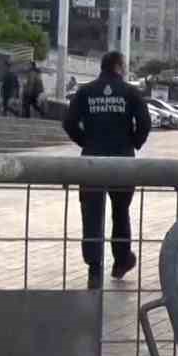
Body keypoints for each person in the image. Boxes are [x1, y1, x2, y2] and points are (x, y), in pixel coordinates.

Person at [63, 50, 152, 290]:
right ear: (118, 67)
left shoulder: (85, 92)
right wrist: (133, 142)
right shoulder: (130, 92)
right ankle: (121, 260)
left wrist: (86, 142)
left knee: (92, 214)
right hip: (122, 161)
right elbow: (145, 123)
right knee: (120, 212)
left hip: (92, 161)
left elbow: (69, 123)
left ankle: (94, 269)